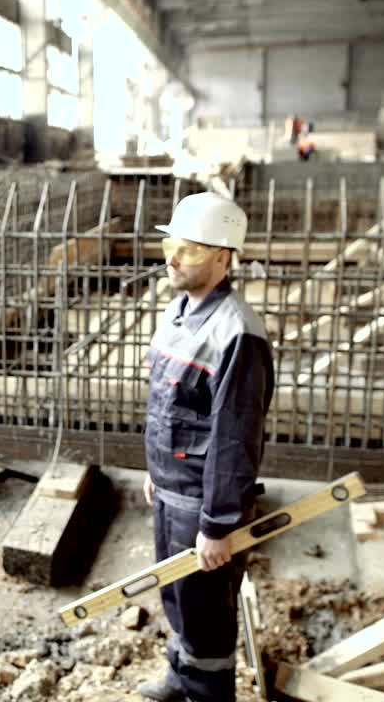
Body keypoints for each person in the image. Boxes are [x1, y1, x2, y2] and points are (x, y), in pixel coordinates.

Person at [137, 193, 274, 702]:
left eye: (190, 250)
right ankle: (181, 678)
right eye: (171, 244)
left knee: (207, 608)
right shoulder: (176, 312)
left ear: (223, 257)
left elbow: (235, 439)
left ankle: (210, 693)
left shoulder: (237, 333)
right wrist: (156, 469)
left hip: (202, 502)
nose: (173, 258)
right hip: (172, 489)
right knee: (178, 597)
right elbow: (170, 407)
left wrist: (218, 525)